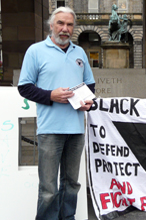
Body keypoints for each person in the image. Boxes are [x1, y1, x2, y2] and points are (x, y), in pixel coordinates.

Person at [18, 7, 95, 220]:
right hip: (50, 129)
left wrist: (85, 101)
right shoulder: (35, 51)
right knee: (48, 189)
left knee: (72, 184)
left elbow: (90, 84)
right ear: (51, 25)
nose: (65, 29)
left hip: (76, 129)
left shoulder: (79, 53)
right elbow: (24, 87)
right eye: (60, 23)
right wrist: (50, 95)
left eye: (69, 25)